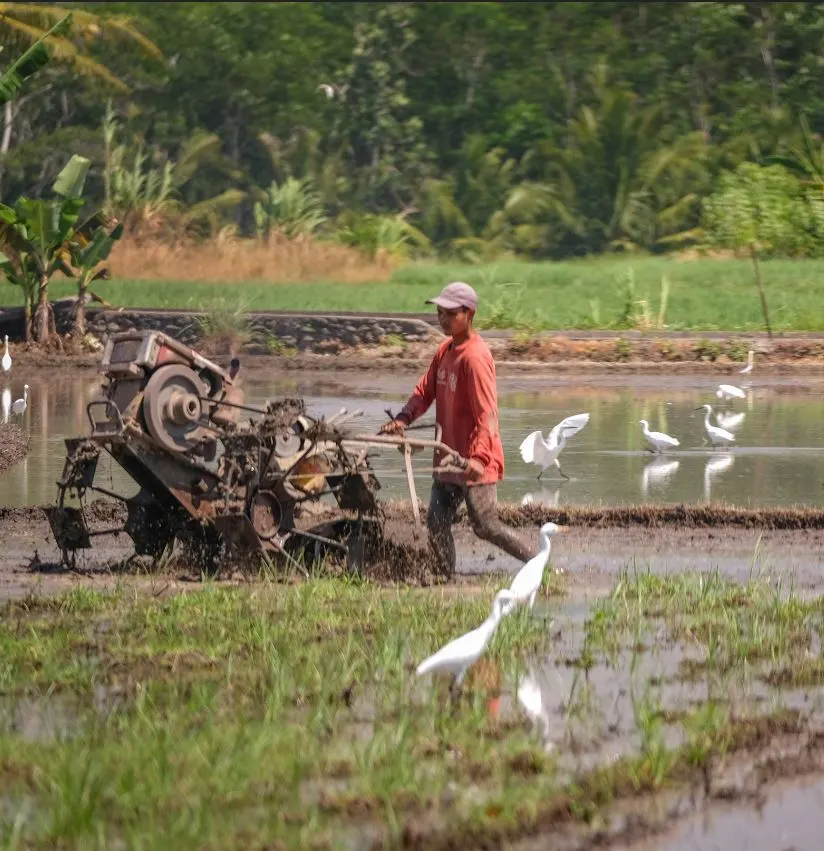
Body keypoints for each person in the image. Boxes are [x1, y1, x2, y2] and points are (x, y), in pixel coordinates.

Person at [379, 281, 538, 576]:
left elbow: (487, 415)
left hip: (474, 459)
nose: (443, 319)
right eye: (440, 313)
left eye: (451, 314)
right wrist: (403, 418)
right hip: (448, 456)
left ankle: (541, 566)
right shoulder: (445, 350)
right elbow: (425, 391)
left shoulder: (475, 357)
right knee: (437, 521)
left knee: (485, 526)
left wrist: (478, 458)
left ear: (470, 314)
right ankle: (443, 578)